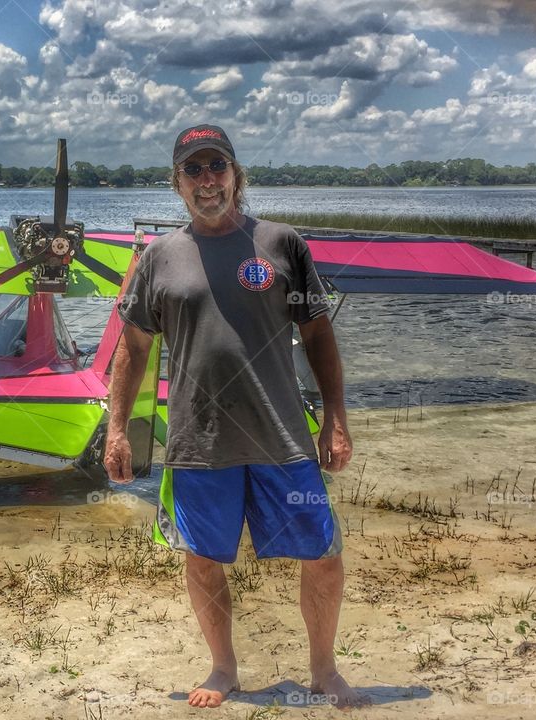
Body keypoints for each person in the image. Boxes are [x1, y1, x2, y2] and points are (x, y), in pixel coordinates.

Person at [104, 124, 367, 710]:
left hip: (282, 437)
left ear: (236, 175)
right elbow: (134, 348)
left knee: (323, 556)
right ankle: (223, 668)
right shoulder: (158, 257)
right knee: (203, 561)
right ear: (177, 183)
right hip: (199, 443)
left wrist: (336, 418)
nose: (207, 180)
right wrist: (118, 429)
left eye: (217, 166)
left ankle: (324, 670)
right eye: (193, 169)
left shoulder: (282, 243)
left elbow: (318, 335)